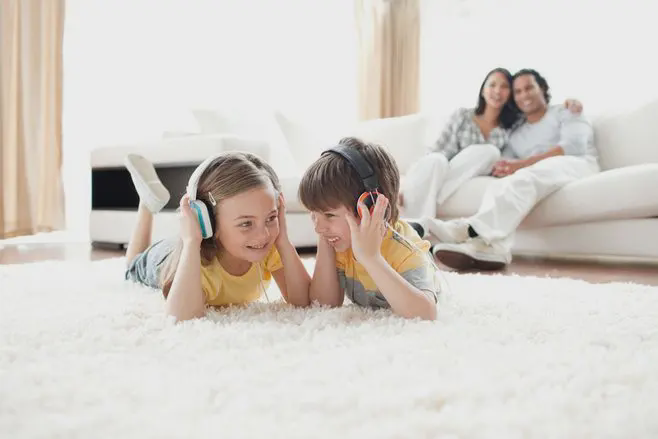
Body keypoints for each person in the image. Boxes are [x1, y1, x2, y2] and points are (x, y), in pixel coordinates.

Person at [424, 68, 600, 270]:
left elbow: (574, 146)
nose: (524, 95)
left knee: (527, 176)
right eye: (518, 91)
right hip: (541, 172)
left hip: (577, 164)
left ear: (542, 88)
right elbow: (506, 164)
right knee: (500, 186)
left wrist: (524, 163)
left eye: (529, 88)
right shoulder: (516, 133)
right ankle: (493, 249)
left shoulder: (566, 111)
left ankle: (468, 230)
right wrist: (505, 168)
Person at [123, 151, 311, 321]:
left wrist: (283, 240)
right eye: (246, 223)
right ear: (208, 222)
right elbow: (180, 318)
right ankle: (146, 204)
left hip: (195, 242)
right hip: (167, 256)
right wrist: (191, 242)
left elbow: (303, 301)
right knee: (132, 265)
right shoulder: (203, 269)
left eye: (270, 218)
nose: (264, 235)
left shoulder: (268, 248)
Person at [400, 67, 583, 224]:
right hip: (445, 169)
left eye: (504, 87)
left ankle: (422, 214)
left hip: (476, 173)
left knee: (489, 151)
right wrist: (408, 181)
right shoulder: (463, 116)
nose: (497, 91)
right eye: (492, 85)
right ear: (483, 90)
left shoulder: (513, 127)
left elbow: (539, 115)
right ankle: (412, 226)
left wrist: (570, 103)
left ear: (510, 95)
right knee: (435, 159)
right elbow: (438, 149)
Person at [298, 137, 440, 321]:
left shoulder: (404, 250)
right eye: (313, 214)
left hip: (404, 237)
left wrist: (371, 257)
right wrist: (325, 240)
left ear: (369, 206)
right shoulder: (341, 244)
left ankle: (435, 227)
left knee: (423, 230)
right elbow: (323, 303)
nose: (318, 228)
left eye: (329, 215)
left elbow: (426, 314)